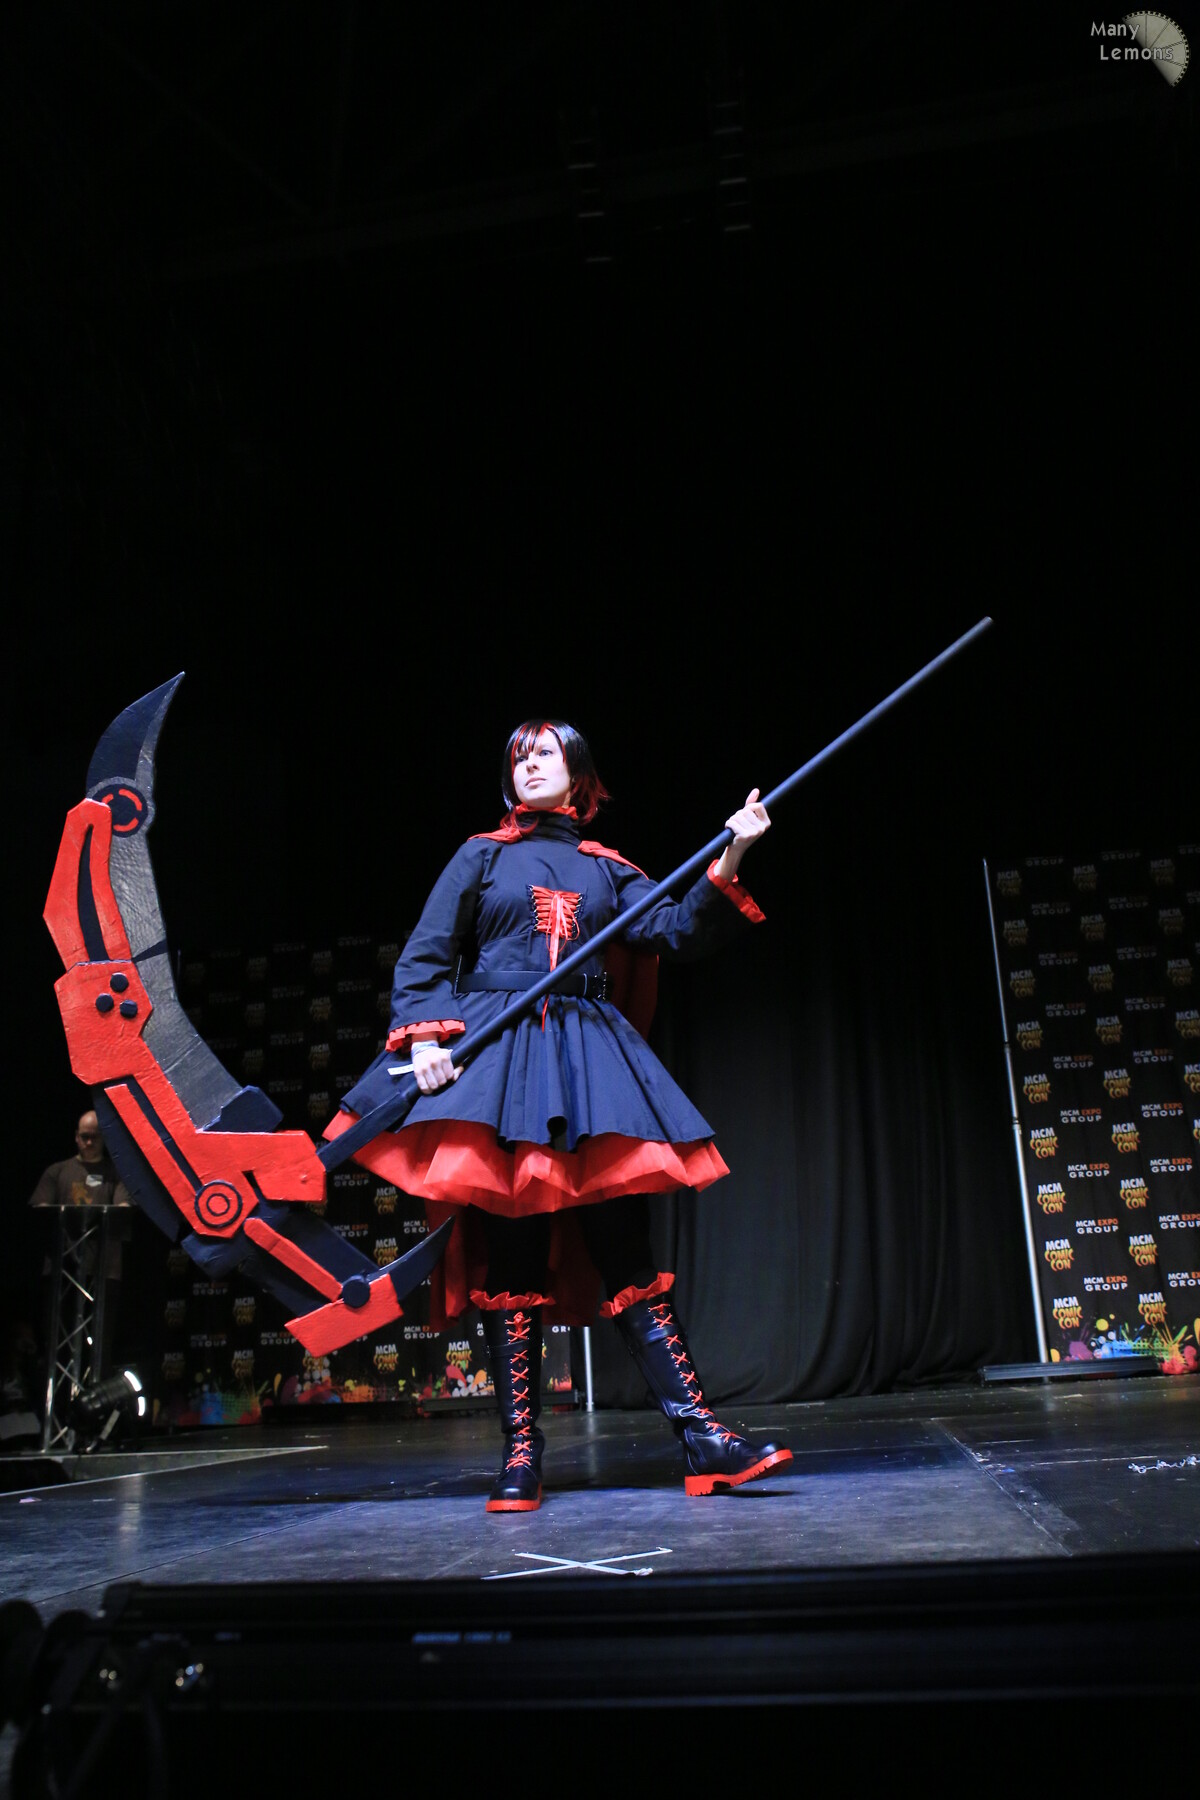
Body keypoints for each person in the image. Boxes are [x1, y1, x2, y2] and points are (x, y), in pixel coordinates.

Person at [325, 721, 792, 1511]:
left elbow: (674, 930)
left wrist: (735, 850)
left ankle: (703, 1438)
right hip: (501, 1060)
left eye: (545, 752)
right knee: (513, 1255)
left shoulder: (608, 868)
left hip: (586, 1062)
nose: (529, 763)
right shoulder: (481, 855)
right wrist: (427, 1037)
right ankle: (521, 1455)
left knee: (625, 1250)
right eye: (519, 755)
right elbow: (428, 953)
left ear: (578, 775)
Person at [29, 1110, 135, 1380]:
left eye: (95, 1138)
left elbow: (123, 1208)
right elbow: (40, 1208)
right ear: (76, 1137)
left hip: (103, 1270)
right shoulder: (58, 1171)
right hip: (63, 1270)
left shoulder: (115, 1174)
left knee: (100, 1344)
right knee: (58, 1341)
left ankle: (95, 1396)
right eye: (85, 1137)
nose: (89, 1142)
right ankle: (59, 1396)